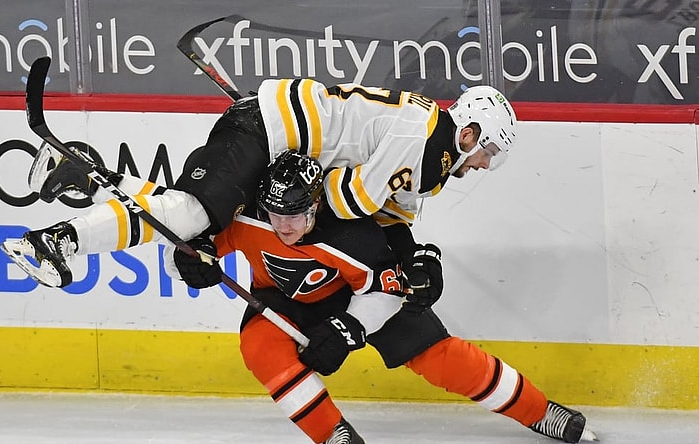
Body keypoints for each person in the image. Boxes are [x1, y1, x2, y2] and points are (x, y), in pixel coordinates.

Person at [171, 151, 595, 444]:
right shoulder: (249, 219)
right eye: (276, 214)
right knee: (260, 345)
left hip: (359, 296)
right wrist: (189, 262)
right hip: (283, 299)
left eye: (296, 216)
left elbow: (383, 291)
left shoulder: (350, 232)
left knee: (442, 358)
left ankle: (538, 411)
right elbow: (193, 243)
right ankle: (333, 435)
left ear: (316, 205)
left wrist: (347, 329)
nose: (284, 226)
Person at [1, 80, 516, 290]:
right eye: (487, 152)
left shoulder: (431, 150)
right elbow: (352, 201)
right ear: (469, 132)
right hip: (266, 130)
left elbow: (391, 215)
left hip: (275, 131)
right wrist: (297, 192)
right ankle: (53, 240)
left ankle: (83, 176)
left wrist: (409, 254)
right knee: (193, 217)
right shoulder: (427, 141)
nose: (482, 166)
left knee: (188, 217)